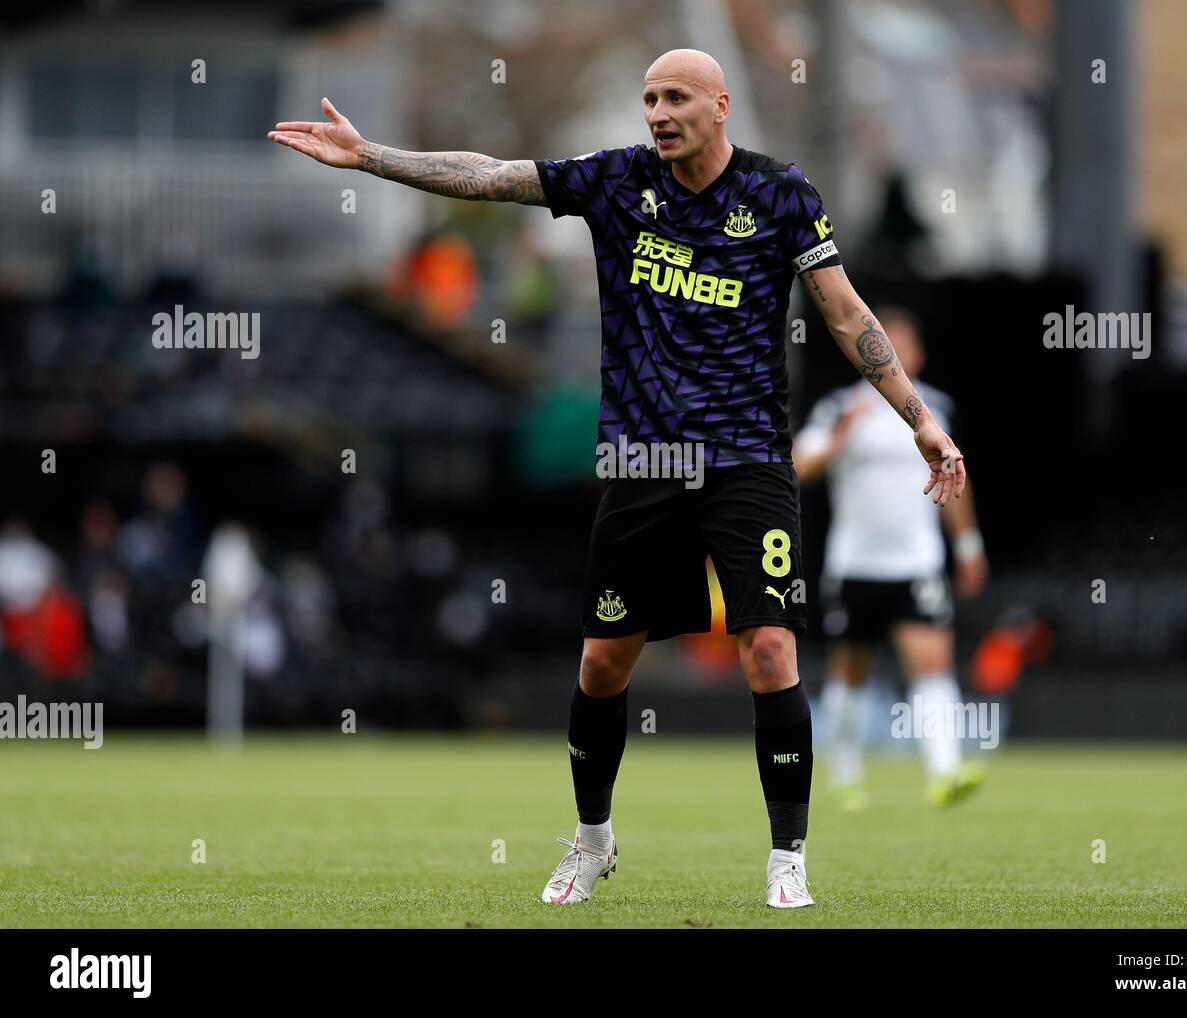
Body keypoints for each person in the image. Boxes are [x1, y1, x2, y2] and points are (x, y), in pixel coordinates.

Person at [268, 48, 966, 909]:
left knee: (771, 647)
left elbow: (847, 314)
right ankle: (593, 839)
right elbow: (489, 177)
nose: (658, 112)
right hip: (643, 463)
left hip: (747, 458)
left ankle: (789, 857)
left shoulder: (782, 194)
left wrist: (921, 422)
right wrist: (374, 156)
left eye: (675, 98)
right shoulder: (615, 182)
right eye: (648, 99)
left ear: (720, 106)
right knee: (603, 664)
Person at [793, 307, 989, 810]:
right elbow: (798, 467)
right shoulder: (840, 406)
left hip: (916, 563)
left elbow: (955, 481)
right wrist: (840, 438)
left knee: (932, 662)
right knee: (850, 671)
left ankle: (945, 772)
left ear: (918, 355)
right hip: (854, 564)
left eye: (901, 344)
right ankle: (845, 772)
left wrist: (967, 545)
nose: (891, 354)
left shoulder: (935, 411)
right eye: (882, 344)